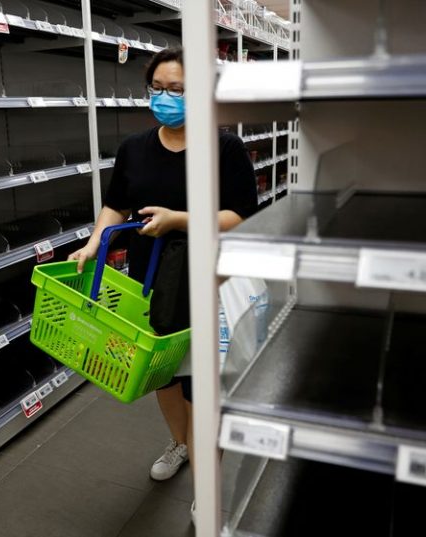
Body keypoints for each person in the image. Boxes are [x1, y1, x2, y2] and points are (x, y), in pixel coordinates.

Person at [68, 47, 257, 492]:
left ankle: (207, 487)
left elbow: (241, 215)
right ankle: (181, 445)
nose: (164, 98)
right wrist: (94, 243)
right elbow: (116, 204)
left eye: (177, 90)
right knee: (164, 374)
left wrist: (180, 219)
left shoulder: (224, 148)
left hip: (205, 279)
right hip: (150, 279)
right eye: (156, 89)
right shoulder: (134, 148)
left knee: (201, 382)